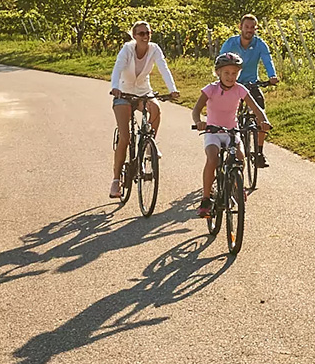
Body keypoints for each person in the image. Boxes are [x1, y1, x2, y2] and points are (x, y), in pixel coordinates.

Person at [192, 52, 271, 218]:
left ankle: (237, 184)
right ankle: (206, 199)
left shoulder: (239, 90)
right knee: (212, 158)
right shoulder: (211, 89)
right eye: (226, 73)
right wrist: (199, 121)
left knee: (240, 156)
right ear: (218, 73)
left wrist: (263, 121)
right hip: (213, 132)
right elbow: (197, 109)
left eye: (234, 73)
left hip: (231, 131)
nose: (230, 76)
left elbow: (257, 109)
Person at [109, 21, 180, 199]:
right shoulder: (127, 49)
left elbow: (164, 68)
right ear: (134, 36)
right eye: (141, 33)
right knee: (125, 138)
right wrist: (115, 87)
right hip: (124, 92)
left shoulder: (154, 49)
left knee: (155, 109)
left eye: (148, 33)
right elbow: (118, 68)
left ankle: (149, 145)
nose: (145, 36)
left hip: (142, 91)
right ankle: (116, 181)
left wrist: (172, 89)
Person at [219, 14, 278, 167]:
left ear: (255, 29)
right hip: (233, 85)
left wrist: (272, 76)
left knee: (261, 115)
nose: (249, 30)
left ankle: (259, 152)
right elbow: (220, 60)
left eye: (252, 27)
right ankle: (226, 147)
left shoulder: (260, 44)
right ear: (240, 27)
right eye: (247, 27)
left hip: (252, 85)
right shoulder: (231, 43)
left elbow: (267, 60)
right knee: (228, 115)